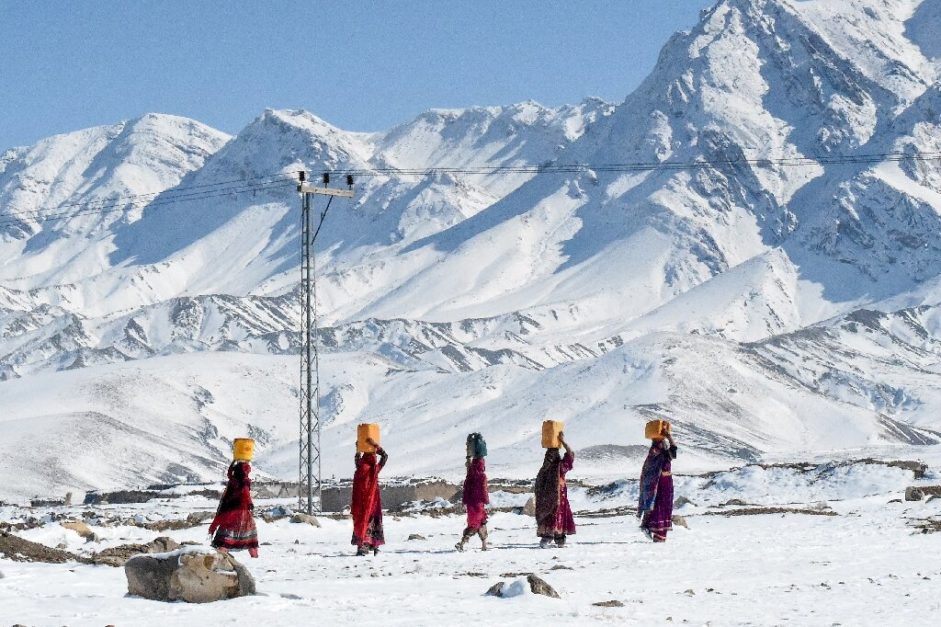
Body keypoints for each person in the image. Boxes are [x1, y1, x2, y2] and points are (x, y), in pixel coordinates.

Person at [208, 459, 259, 557]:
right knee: (250, 535)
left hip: (229, 510)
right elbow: (245, 492)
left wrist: (233, 462)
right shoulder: (245, 481)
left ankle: (221, 554)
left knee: (227, 534)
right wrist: (250, 503)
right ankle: (255, 556)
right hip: (242, 511)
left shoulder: (233, 480)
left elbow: (229, 473)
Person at [534, 431, 576, 548]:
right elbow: (571, 455)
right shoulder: (551, 469)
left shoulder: (554, 468)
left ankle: (554, 539)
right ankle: (554, 539)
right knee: (555, 517)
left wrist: (562, 441)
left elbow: (570, 455)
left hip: (555, 499)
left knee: (555, 516)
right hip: (554, 499)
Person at [637, 423, 678, 542]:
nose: (664, 444)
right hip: (661, 483)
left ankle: (658, 534)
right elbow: (674, 451)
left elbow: (673, 452)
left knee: (663, 507)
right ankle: (654, 531)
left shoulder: (658, 452)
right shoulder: (657, 451)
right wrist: (669, 437)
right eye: (663, 442)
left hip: (666, 482)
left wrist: (668, 437)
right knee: (660, 506)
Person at [351, 437, 388, 556]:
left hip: (362, 502)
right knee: (369, 521)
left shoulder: (361, 466)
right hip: (371, 501)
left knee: (363, 521)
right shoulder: (374, 468)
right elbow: (385, 456)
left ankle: (363, 546)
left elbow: (357, 458)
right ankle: (371, 545)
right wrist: (375, 446)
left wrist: (358, 449)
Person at [456, 432, 489, 551]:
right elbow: (483, 489)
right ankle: (479, 544)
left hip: (471, 503)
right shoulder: (481, 476)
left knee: (475, 523)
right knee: (479, 523)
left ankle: (465, 543)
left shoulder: (470, 476)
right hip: (478, 503)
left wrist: (464, 501)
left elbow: (466, 488)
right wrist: (486, 500)